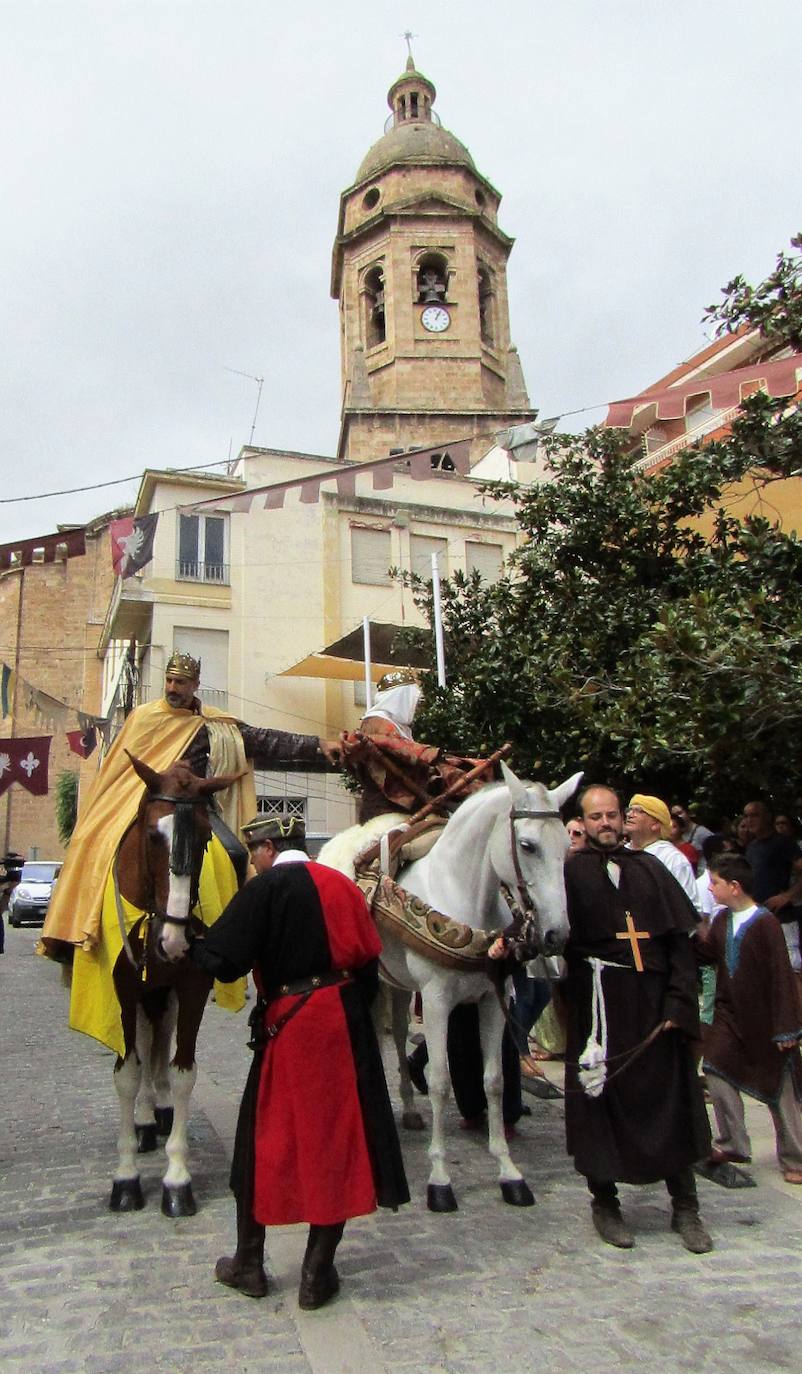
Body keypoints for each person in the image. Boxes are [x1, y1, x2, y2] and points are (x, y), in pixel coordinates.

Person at [40, 651, 339, 1052]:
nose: (172, 689)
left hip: (196, 807)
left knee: (234, 852)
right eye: (169, 681)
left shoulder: (213, 726)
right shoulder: (144, 718)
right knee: (91, 840)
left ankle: (226, 946)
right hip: (145, 804)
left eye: (181, 682)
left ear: (195, 685)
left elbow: (265, 740)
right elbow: (118, 777)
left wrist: (318, 744)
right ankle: (74, 936)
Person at [176, 814, 409, 1308]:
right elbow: (370, 962)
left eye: (254, 853)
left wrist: (192, 945)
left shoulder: (267, 888)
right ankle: (315, 1275)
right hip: (344, 1024)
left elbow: (223, 962)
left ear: (265, 848)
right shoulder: (343, 887)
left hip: (291, 1024)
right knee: (339, 1144)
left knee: (263, 1140)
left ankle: (249, 1264)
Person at [563, 785, 712, 1253]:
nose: (606, 823)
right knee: (598, 1102)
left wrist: (678, 1004)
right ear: (583, 823)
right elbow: (543, 933)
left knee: (670, 1101)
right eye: (596, 817)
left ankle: (685, 1207)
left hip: (653, 1007)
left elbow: (680, 946)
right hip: (600, 1011)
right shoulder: (568, 875)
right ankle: (605, 1204)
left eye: (612, 815)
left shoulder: (650, 869)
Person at [697, 853, 802, 1185]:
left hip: (768, 1023)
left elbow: (782, 976)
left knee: (781, 1091)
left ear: (734, 886)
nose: (711, 889)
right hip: (731, 1018)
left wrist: (787, 1027)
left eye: (715, 883)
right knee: (715, 1067)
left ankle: (794, 1155)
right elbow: (708, 953)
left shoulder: (766, 923)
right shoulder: (721, 921)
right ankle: (733, 1142)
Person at [624, 794, 701, 912]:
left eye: (639, 811)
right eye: (629, 810)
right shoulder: (618, 855)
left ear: (655, 824)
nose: (629, 815)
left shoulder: (672, 858)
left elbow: (688, 908)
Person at [743, 799, 801, 912]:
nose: (749, 820)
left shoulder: (783, 842)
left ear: (767, 816)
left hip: (782, 915)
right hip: (758, 914)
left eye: (754, 815)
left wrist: (787, 895)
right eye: (746, 816)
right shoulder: (751, 847)